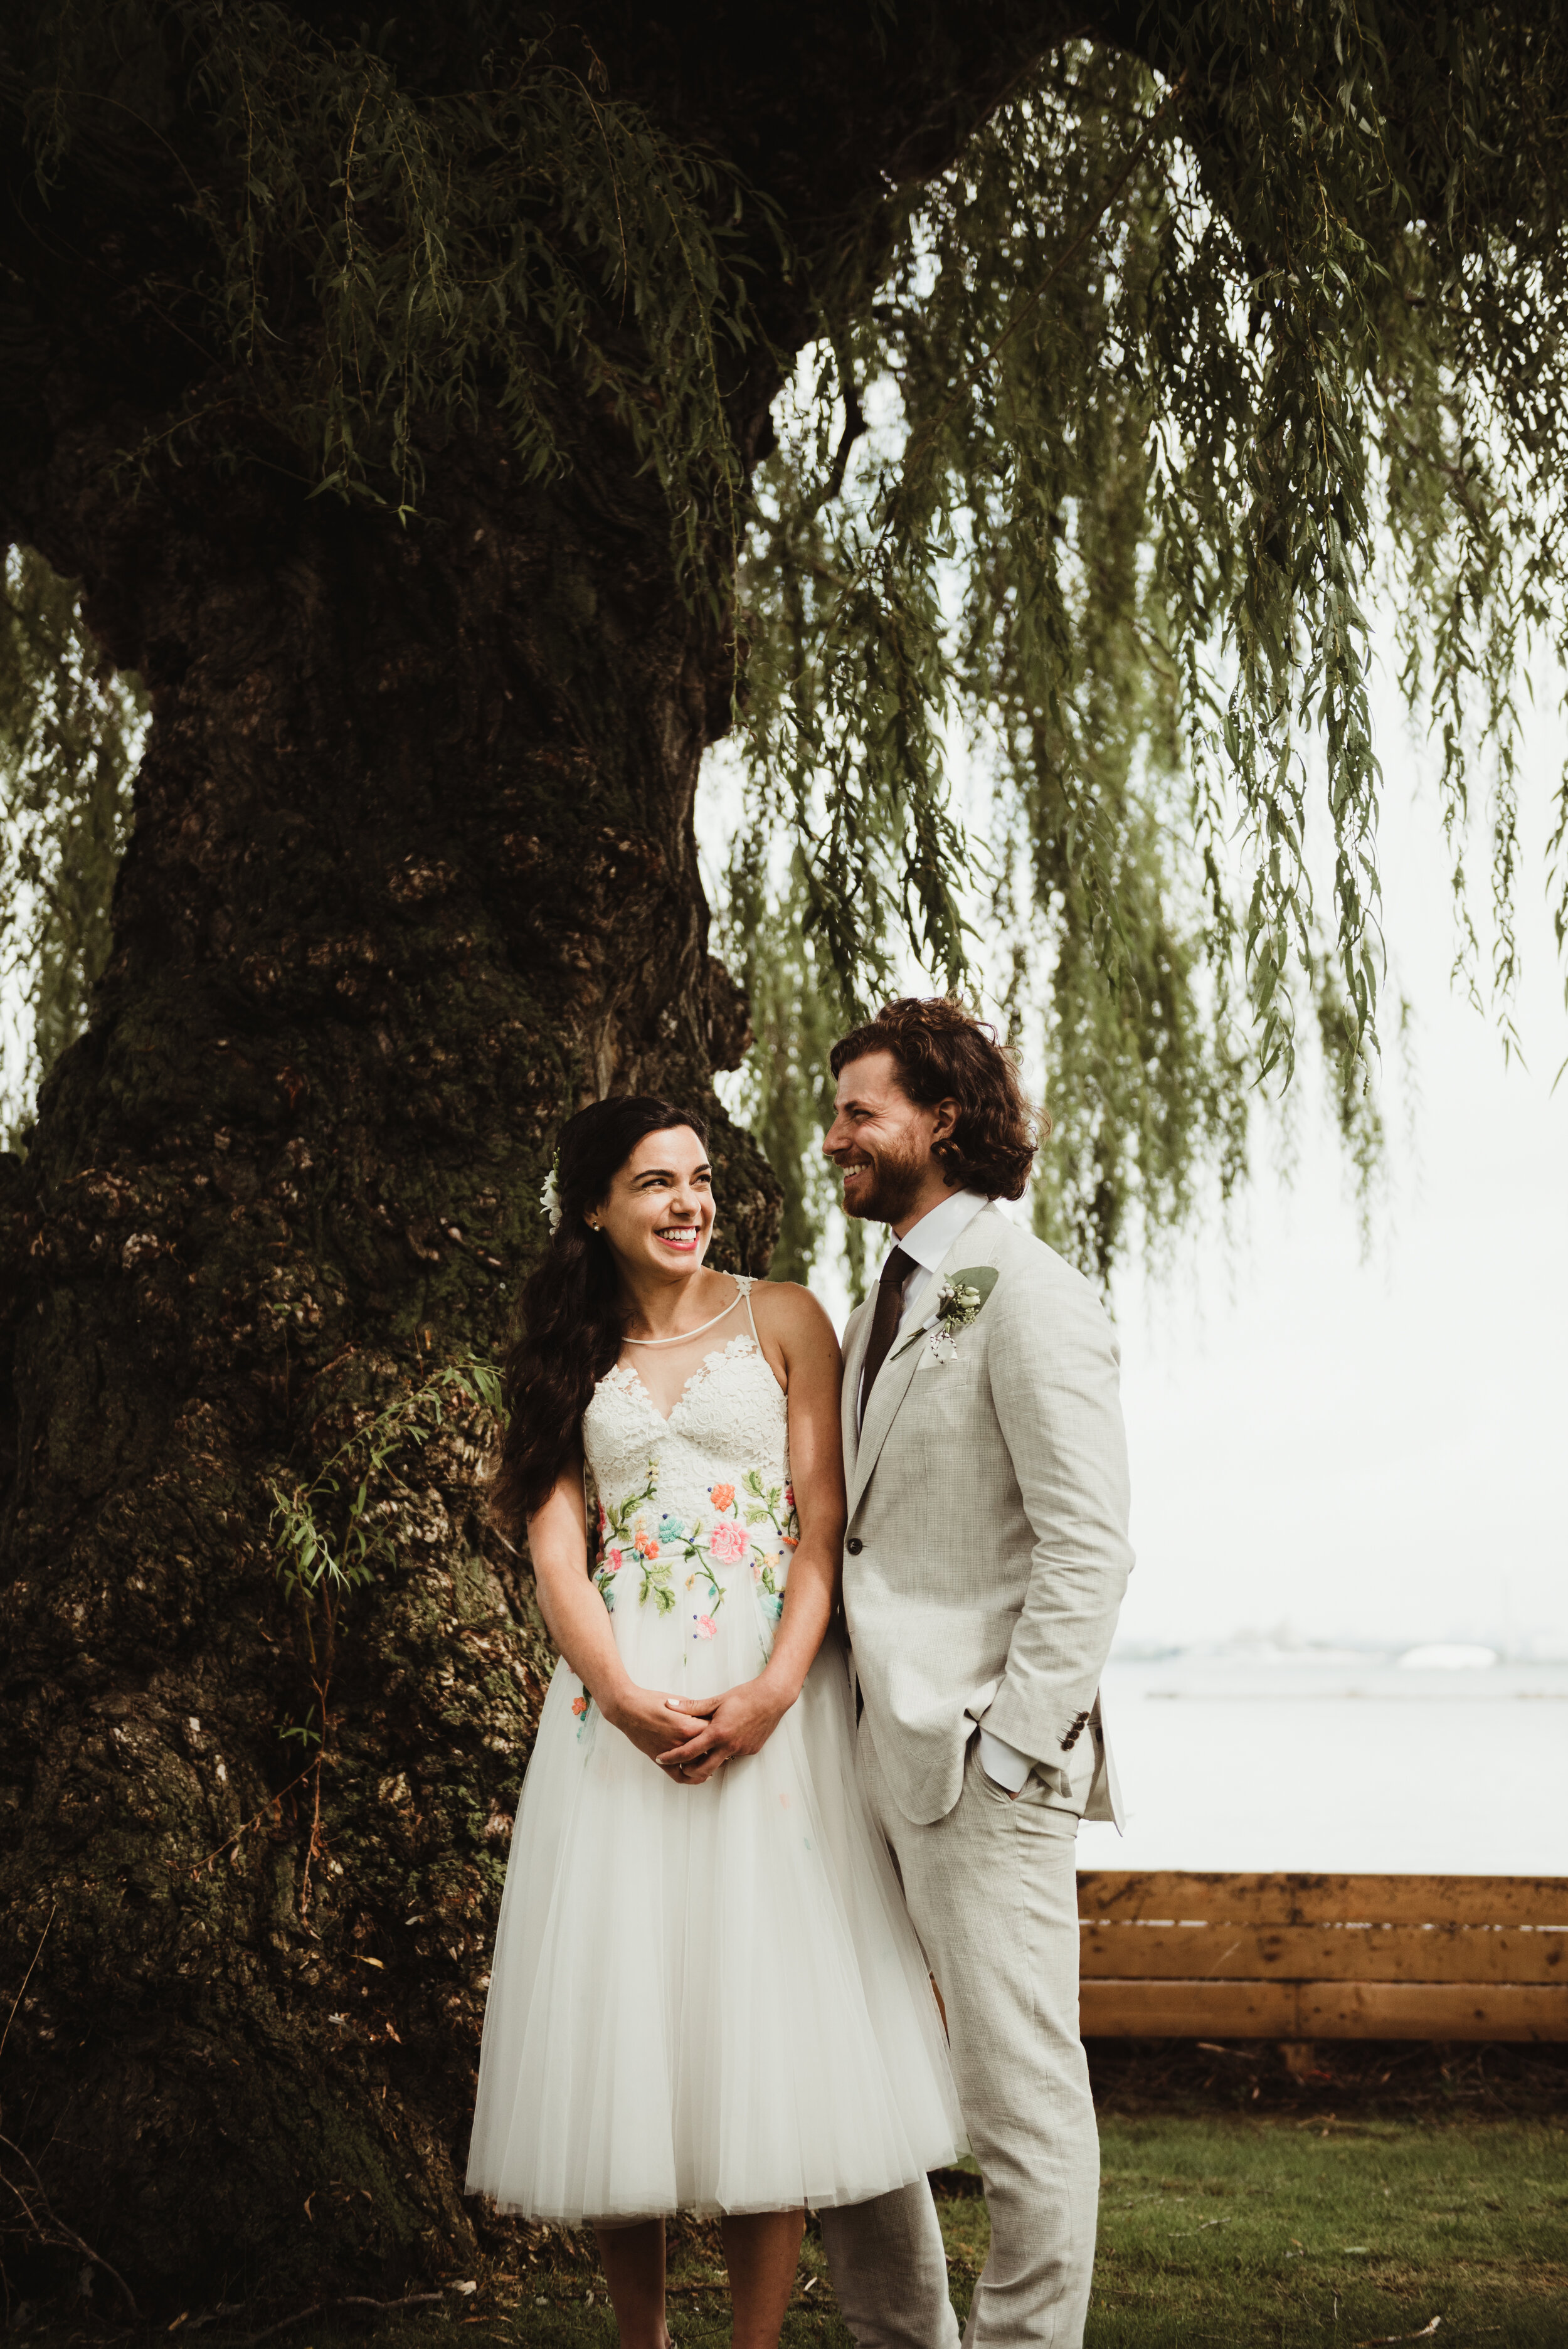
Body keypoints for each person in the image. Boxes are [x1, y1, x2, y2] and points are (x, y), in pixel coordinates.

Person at [466, 1095, 961, 2349]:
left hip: (766, 1703)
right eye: (652, 1183)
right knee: (615, 2009)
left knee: (767, 2017)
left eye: (696, 1179)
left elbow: (816, 1523)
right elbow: (557, 1548)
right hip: (617, 1713)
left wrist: (772, 1692)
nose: (687, 1202)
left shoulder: (784, 1314)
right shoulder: (566, 1346)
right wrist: (620, 1696)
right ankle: (642, 2340)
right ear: (594, 1207)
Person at [815, 998, 1134, 2349]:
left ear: (938, 1120)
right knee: (847, 2074)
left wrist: (1011, 1744)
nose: (831, 1136)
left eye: (855, 1111)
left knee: (1016, 2096)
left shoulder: (1035, 1295)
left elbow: (1089, 1544)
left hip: (980, 1766)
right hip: (854, 1757)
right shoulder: (870, 1302)